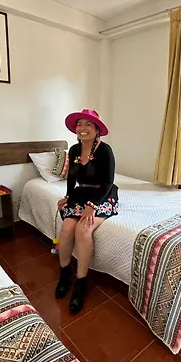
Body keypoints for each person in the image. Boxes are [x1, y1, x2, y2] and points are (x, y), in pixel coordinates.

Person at [55, 109, 119, 313]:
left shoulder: (105, 150)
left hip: (102, 195)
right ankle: (65, 273)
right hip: (80, 194)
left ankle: (81, 282)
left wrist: (92, 206)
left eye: (88, 124)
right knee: (67, 228)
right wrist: (67, 196)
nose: (82, 128)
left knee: (83, 230)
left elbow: (108, 182)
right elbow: (72, 178)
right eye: (79, 124)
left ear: (97, 129)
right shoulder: (74, 150)